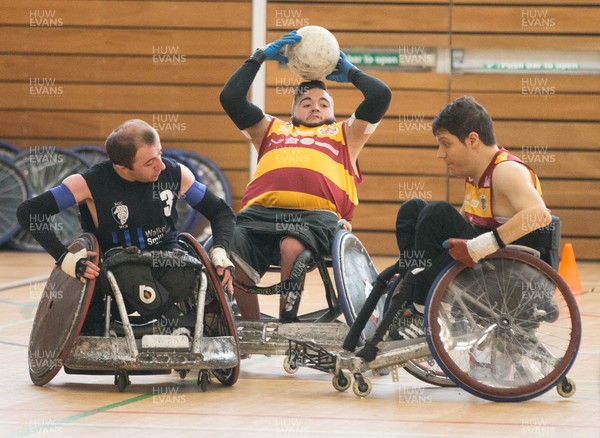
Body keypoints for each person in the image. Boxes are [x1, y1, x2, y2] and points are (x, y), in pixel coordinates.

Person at [344, 96, 553, 361]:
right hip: (488, 271)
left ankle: (419, 308)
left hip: (511, 281)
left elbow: (539, 216)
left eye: (446, 144)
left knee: (436, 213)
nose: (440, 153)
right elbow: (468, 229)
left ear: (472, 140)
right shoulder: (476, 177)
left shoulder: (506, 171)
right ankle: (413, 294)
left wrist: (479, 247)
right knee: (414, 209)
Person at [219, 31, 392, 321]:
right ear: (292, 111)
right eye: (307, 103)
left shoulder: (345, 134)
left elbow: (380, 95)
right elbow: (230, 98)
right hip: (258, 216)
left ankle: (287, 322)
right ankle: (248, 329)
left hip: (315, 219)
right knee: (230, 243)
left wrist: (351, 72)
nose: (315, 107)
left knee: (292, 245)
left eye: (324, 103)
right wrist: (258, 57)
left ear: (334, 113)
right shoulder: (270, 129)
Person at [16, 119, 236, 334]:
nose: (160, 165)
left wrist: (220, 250)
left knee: (188, 271)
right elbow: (29, 212)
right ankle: (179, 323)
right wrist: (65, 258)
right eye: (149, 162)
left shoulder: (175, 173)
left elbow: (221, 212)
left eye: (160, 153)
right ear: (122, 167)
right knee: (130, 273)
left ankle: (178, 324)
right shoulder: (88, 183)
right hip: (117, 268)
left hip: (167, 259)